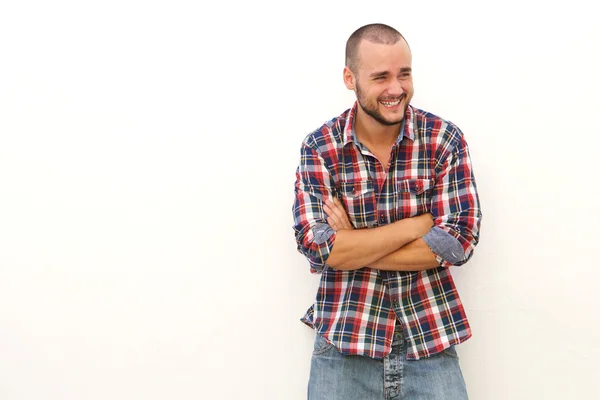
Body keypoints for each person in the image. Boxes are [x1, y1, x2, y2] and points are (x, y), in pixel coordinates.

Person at [292, 23, 482, 399]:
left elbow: (458, 241)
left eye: (404, 73)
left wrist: (351, 246)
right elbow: (318, 247)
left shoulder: (444, 140)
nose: (396, 89)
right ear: (351, 78)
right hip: (344, 343)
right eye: (381, 77)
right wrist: (418, 225)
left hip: (430, 339)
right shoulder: (320, 148)